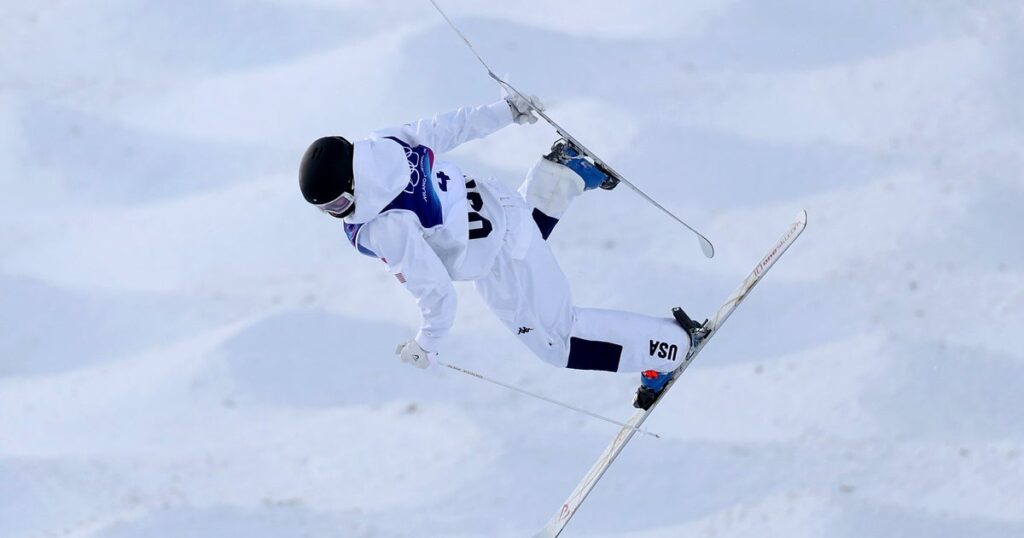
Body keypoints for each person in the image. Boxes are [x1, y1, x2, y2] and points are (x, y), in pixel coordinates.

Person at [298, 94, 704, 410]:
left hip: (499, 257)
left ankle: (665, 348)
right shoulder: (384, 142)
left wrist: (427, 343)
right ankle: (561, 175)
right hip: (500, 204)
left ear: (351, 186)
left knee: (557, 341)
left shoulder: (385, 227)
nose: (338, 216)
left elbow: (437, 294)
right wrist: (507, 110)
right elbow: (447, 128)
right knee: (527, 251)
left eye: (335, 205)